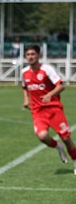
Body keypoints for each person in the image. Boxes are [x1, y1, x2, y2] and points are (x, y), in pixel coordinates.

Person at [21, 44, 76, 175]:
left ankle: (75, 161)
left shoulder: (47, 69)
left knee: (66, 138)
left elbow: (61, 86)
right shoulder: (24, 72)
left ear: (39, 55)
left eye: (33, 54)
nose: (31, 57)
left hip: (54, 109)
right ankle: (58, 147)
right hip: (37, 111)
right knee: (42, 136)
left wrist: (49, 95)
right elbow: (25, 86)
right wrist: (26, 99)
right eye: (28, 55)